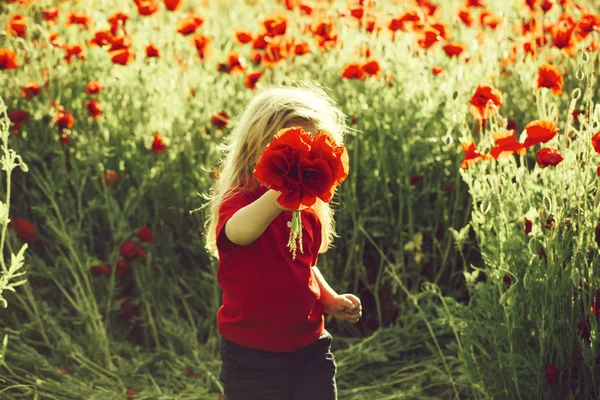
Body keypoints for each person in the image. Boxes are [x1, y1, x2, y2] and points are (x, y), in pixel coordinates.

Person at [203, 82, 362, 400]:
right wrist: (280, 194)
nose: (301, 164)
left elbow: (303, 265)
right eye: (292, 153)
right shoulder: (242, 200)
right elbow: (239, 233)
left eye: (311, 154)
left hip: (310, 346)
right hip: (252, 355)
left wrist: (329, 299)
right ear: (256, 149)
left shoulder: (308, 208)